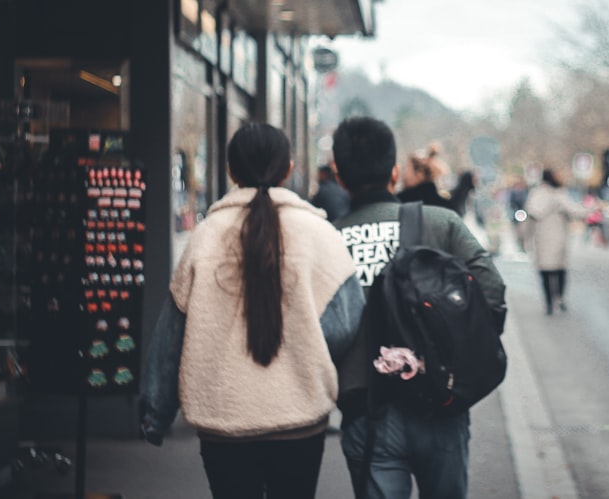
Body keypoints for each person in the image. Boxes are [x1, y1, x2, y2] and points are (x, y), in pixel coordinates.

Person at [139, 123, 365, 499]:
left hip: (223, 420)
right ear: (289, 168)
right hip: (299, 418)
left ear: (231, 171)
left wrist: (155, 415)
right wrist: (304, 350)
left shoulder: (205, 234)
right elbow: (345, 325)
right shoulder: (320, 233)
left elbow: (172, 334)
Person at [330, 116, 506, 499]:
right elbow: (492, 293)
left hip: (366, 410)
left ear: (339, 176)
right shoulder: (441, 223)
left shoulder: (327, 238)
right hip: (440, 402)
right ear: (394, 172)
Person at [524, 168, 586, 315]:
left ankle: (549, 302)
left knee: (545, 271)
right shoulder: (559, 194)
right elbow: (575, 211)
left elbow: (530, 218)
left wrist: (526, 238)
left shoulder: (536, 194)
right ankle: (559, 297)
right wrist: (593, 208)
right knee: (559, 270)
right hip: (559, 237)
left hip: (541, 238)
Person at [397, 142, 454, 210]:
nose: (403, 175)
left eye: (406, 169)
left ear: (419, 175)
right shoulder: (446, 205)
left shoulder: (402, 203)